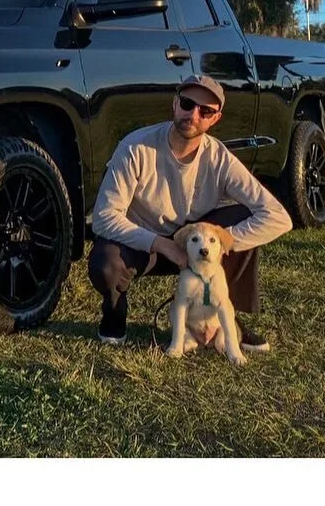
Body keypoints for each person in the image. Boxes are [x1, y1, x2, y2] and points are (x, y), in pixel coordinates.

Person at [87, 74, 292, 349]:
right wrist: (163, 245)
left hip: (197, 245)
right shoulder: (136, 147)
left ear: (215, 119)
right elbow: (103, 218)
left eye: (206, 111)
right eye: (187, 104)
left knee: (244, 215)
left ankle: (226, 315)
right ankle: (115, 310)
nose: (194, 115)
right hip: (144, 245)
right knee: (106, 263)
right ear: (174, 104)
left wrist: (222, 242)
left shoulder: (220, 159)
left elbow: (278, 217)